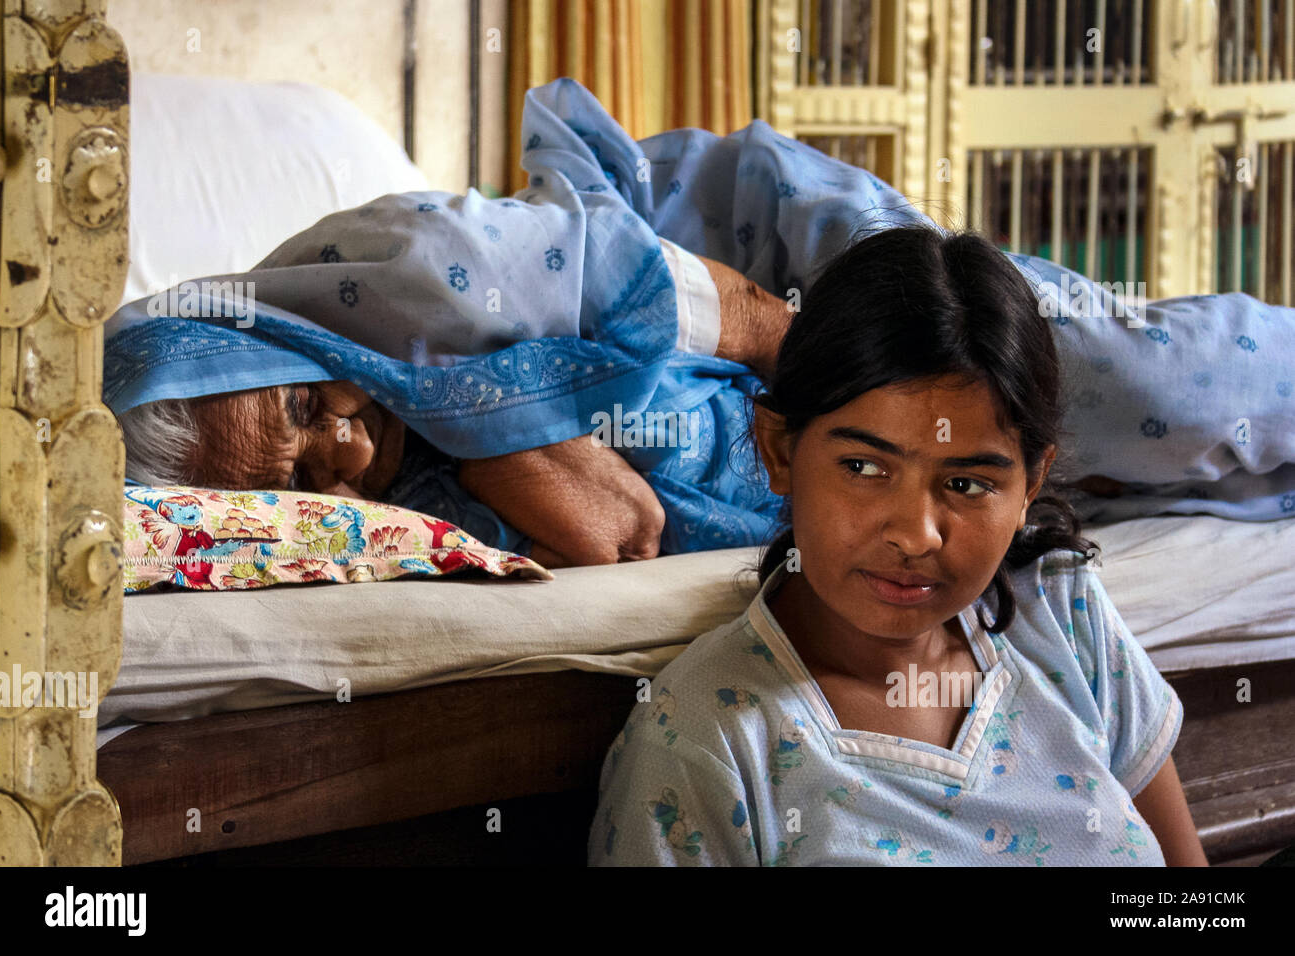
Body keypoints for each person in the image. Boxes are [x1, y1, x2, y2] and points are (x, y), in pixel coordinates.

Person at [104, 76, 1295, 570]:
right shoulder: (393, 509)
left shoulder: (407, 270)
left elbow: (753, 320)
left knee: (1136, 388)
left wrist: (857, 389)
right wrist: (475, 419)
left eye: (307, 408)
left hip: (768, 264)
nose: (348, 451)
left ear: (274, 335)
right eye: (312, 480)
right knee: (1099, 483)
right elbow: (619, 529)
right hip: (780, 395)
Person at [587, 225, 1208, 866]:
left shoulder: (1058, 613)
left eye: (967, 483)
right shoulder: (704, 741)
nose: (916, 534)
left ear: (1031, 482)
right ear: (779, 450)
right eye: (863, 467)